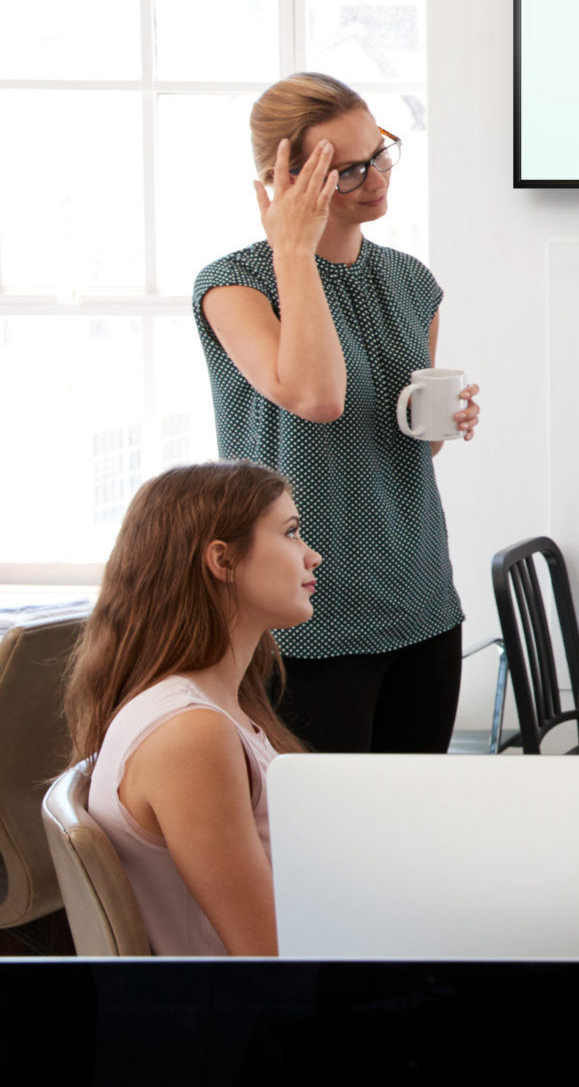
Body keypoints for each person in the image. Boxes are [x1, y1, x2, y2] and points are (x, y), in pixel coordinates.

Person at [193, 73, 476, 755]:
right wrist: (294, 247)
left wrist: (444, 420)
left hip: (419, 595)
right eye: (346, 170)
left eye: (378, 151)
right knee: (324, 840)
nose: (375, 176)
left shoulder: (413, 281)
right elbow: (316, 397)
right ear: (284, 180)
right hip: (304, 614)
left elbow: (406, 444)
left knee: (413, 825)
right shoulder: (234, 286)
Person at [61, 462, 321, 956]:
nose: (313, 556)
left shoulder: (214, 704)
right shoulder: (191, 734)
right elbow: (268, 955)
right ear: (222, 561)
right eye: (290, 533)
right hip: (251, 1019)